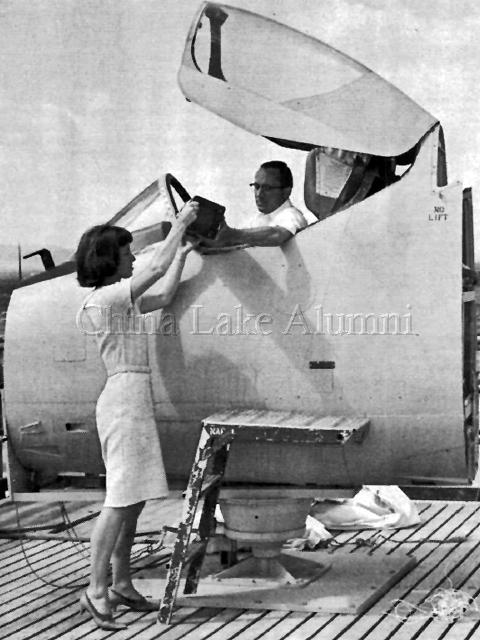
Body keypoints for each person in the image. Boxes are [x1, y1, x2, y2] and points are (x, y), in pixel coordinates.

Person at [75, 200, 198, 630]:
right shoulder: (106, 299)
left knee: (134, 498)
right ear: (109, 258)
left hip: (133, 397)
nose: (132, 257)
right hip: (123, 400)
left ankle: (122, 582)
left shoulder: (117, 301)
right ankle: (95, 589)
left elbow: (162, 292)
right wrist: (180, 225)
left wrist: (181, 255)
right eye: (126, 251)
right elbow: (154, 271)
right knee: (118, 501)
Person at [203, 160, 307, 248]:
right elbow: (229, 243)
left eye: (267, 188)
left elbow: (278, 234)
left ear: (286, 191)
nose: (259, 194)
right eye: (256, 186)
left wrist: (232, 234)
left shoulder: (292, 215)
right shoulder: (257, 220)